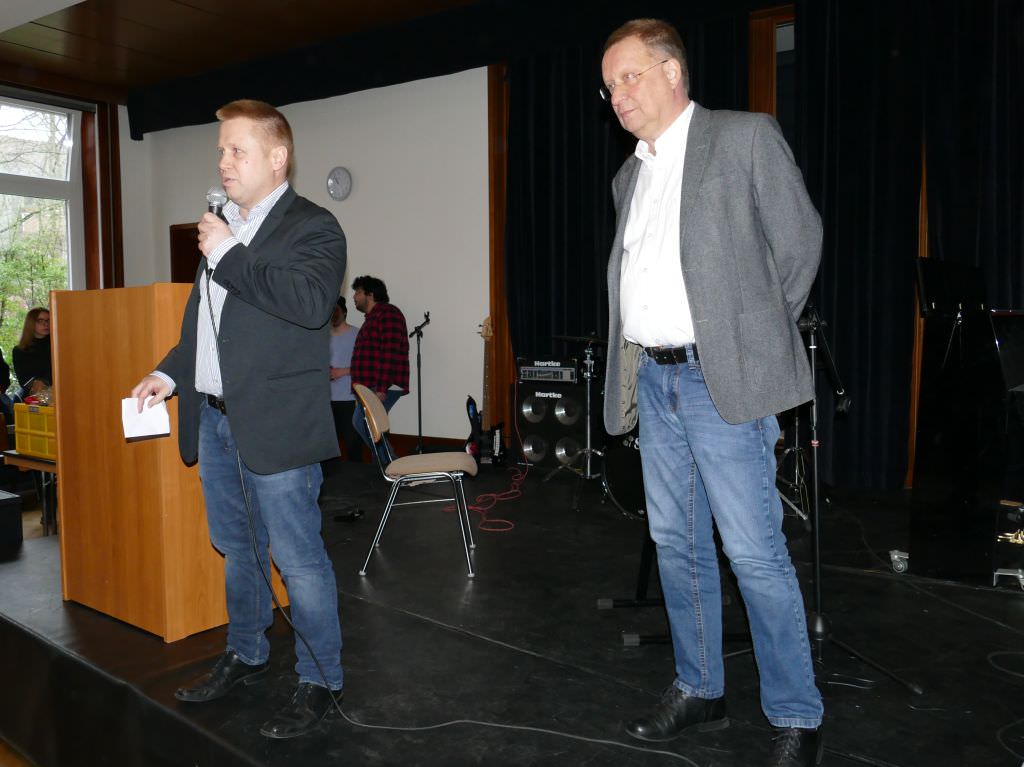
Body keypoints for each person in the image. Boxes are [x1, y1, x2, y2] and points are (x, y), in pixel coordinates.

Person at [600, 19, 824, 767]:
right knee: (677, 544)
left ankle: (796, 714)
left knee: (754, 553)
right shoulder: (629, 177)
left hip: (719, 379)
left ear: (672, 72)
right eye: (609, 86)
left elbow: (800, 245)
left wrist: (749, 342)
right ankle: (700, 687)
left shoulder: (744, 138)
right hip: (655, 377)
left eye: (628, 77)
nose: (617, 95)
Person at [130, 99, 347, 740]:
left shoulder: (314, 227)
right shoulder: (222, 228)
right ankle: (247, 652)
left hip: (277, 426)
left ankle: (321, 679)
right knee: (238, 550)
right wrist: (168, 374)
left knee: (298, 560)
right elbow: (206, 326)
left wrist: (227, 253)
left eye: (237, 150)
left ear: (277, 158)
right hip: (218, 422)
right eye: (221, 150)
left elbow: (310, 304)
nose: (224, 161)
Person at [349, 275, 409, 463]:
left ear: (371, 294)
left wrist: (381, 387)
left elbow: (389, 352)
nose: (354, 296)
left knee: (364, 423)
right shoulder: (372, 318)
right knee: (369, 425)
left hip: (382, 385)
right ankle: (386, 466)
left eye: (358, 292)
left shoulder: (388, 313)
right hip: (373, 386)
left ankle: (391, 465)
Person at [328, 296, 362, 462]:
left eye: (336, 311)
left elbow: (365, 365)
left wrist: (342, 371)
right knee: (329, 446)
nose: (333, 315)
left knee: (352, 444)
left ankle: (357, 474)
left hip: (349, 398)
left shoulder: (357, 334)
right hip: (325, 400)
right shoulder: (321, 336)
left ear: (344, 312)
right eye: (330, 311)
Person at [12, 307, 53, 393]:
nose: (46, 324)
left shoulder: (57, 346)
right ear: (31, 323)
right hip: (36, 396)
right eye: (40, 321)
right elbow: (24, 382)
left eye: (48, 320)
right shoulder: (19, 351)